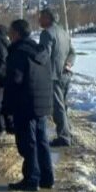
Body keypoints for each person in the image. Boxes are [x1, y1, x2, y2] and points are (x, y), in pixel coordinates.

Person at [0, 19, 54, 191]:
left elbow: (14, 80)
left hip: (25, 104)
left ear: (16, 33)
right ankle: (46, 178)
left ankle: (31, 179)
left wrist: (6, 106)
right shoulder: (40, 51)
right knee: (41, 141)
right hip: (41, 104)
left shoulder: (19, 52)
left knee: (28, 143)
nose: (8, 34)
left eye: (10, 31)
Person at [38, 8, 76, 147]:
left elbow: (43, 55)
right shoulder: (64, 33)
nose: (39, 20)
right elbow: (72, 52)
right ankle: (68, 132)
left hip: (53, 76)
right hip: (65, 74)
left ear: (48, 18)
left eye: (41, 17)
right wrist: (69, 63)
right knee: (63, 106)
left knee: (57, 107)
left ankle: (64, 137)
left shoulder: (47, 33)